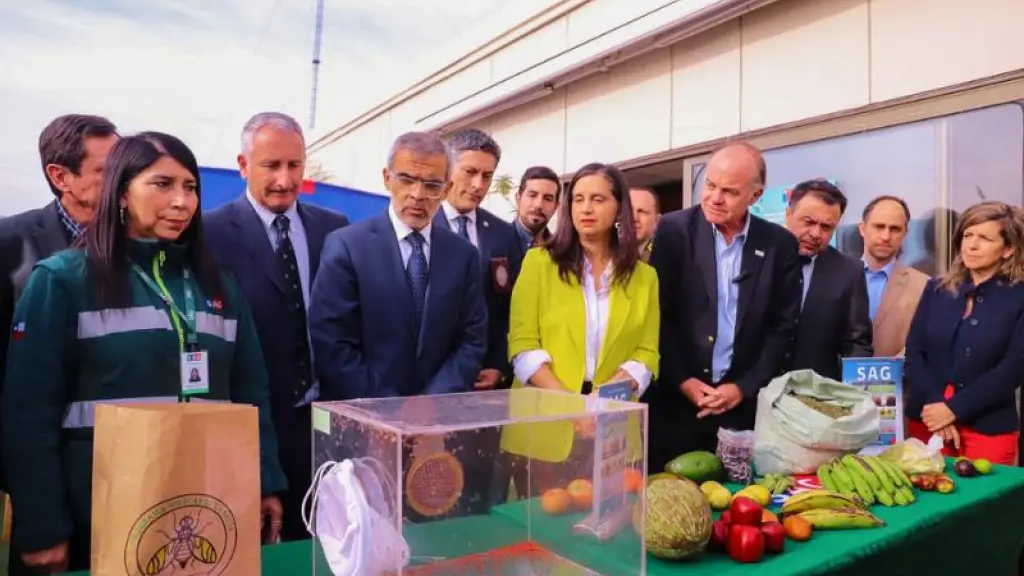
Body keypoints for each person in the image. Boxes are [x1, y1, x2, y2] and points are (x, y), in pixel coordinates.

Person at [2, 132, 287, 574]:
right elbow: (27, 413)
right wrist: (42, 527)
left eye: (190, 187)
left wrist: (266, 481)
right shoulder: (63, 281)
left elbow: (252, 394)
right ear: (120, 192)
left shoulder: (218, 286)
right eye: (162, 184)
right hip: (94, 513)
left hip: (201, 504)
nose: (181, 202)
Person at [204, 112, 349, 541]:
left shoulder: (334, 228)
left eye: (294, 166)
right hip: (251, 426)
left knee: (326, 543)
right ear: (243, 165)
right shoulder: (208, 234)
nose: (285, 180)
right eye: (271, 166)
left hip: (325, 423)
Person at [501, 162, 659, 493]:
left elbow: (647, 352)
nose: (586, 208)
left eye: (598, 199)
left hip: (611, 422)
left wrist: (605, 399)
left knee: (604, 528)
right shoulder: (540, 263)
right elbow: (523, 346)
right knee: (544, 531)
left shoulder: (645, 277)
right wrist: (574, 408)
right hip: (545, 423)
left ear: (619, 207)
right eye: (578, 199)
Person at [646, 141, 801, 472]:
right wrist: (682, 380)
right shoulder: (674, 231)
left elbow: (782, 328)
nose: (714, 198)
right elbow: (658, 318)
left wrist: (741, 387)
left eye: (728, 191)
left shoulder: (779, 245)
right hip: (677, 405)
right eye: (710, 185)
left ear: (755, 197)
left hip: (743, 409)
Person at [309, 131, 486, 400]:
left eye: (431, 185)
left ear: (446, 190)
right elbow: (331, 341)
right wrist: (390, 406)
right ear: (387, 178)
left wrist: (431, 403)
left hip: (436, 420)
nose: (417, 194)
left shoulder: (463, 255)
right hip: (365, 415)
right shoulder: (347, 246)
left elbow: (471, 340)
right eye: (407, 180)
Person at [0, 114, 117, 495]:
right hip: (37, 459)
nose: (121, 181)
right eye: (105, 170)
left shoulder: (142, 245)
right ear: (60, 177)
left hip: (123, 455)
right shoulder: (10, 243)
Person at [905, 200, 1024, 466]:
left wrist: (953, 410)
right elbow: (914, 352)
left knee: (986, 505)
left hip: (988, 427)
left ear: (1007, 249)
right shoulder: (937, 289)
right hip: (927, 419)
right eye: (968, 235)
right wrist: (936, 408)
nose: (971, 245)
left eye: (984, 238)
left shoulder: (1019, 297)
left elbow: (1014, 368)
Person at [433, 128, 521, 390]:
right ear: (448, 169)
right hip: (427, 381)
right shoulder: (420, 226)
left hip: (483, 380)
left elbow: (509, 309)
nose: (478, 185)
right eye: (470, 172)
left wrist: (499, 365)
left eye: (487, 176)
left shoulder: (503, 234)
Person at [785, 179, 873, 380]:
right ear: (788, 215)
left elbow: (857, 345)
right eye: (808, 222)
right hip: (754, 397)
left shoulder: (849, 272)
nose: (816, 233)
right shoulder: (761, 258)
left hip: (818, 398)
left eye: (826, 227)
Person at [859, 195, 930, 357]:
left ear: (905, 233)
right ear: (862, 229)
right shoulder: (838, 278)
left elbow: (925, 341)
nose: (886, 237)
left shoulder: (923, 286)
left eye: (895, 229)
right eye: (879, 226)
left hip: (899, 379)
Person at [512, 166, 560, 253]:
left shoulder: (560, 250)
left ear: (556, 207)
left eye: (548, 198)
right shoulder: (496, 242)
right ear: (518, 199)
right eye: (532, 195)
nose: (538, 205)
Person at [630, 186, 661, 262]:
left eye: (641, 211)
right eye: (629, 211)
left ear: (656, 221)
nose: (634, 218)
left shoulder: (667, 256)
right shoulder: (608, 255)